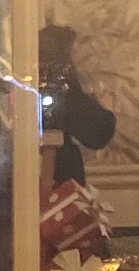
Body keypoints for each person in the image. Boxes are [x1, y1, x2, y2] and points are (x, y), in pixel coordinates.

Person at [36, 23, 116, 186]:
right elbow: (98, 133)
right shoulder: (60, 87)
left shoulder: (52, 85)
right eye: (74, 52)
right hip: (54, 180)